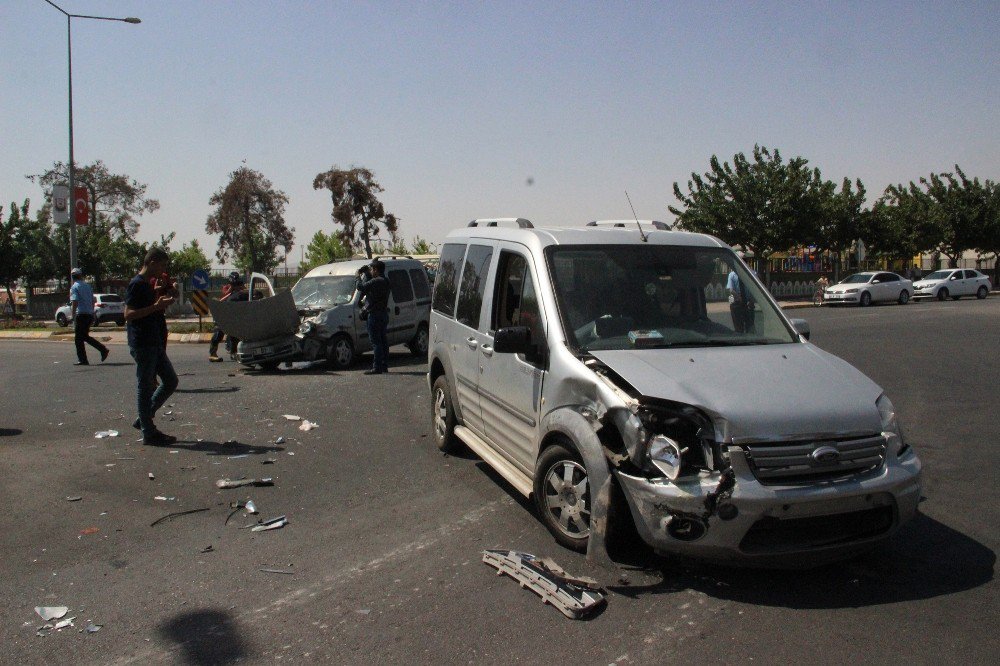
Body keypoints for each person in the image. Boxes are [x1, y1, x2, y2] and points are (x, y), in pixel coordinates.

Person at [125, 247, 179, 445]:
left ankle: (144, 418)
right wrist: (156, 307)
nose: (163, 269)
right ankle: (148, 431)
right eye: (162, 265)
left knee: (170, 381)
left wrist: (162, 298)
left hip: (153, 340)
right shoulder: (137, 284)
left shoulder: (147, 285)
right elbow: (129, 314)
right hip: (142, 342)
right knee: (145, 385)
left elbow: (147, 306)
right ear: (152, 263)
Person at [356, 259, 391, 374]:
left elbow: (360, 287)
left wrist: (358, 276)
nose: (371, 271)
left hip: (374, 315)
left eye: (372, 269)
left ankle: (377, 367)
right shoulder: (386, 281)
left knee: (376, 342)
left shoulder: (376, 281)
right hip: (383, 313)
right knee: (383, 340)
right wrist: (366, 273)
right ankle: (384, 365)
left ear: (376, 270)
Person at [69, 267, 109, 366]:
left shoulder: (74, 287)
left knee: (79, 339)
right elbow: (93, 301)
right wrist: (93, 313)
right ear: (81, 275)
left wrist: (72, 315)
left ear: (73, 277)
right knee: (84, 336)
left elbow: (75, 302)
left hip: (81, 314)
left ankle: (84, 359)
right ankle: (102, 349)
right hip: (89, 314)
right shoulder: (87, 286)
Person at [208, 272, 247, 362]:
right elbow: (225, 295)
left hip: (233, 314)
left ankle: (234, 352)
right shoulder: (226, 287)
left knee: (234, 333)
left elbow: (245, 292)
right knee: (219, 333)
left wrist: (240, 288)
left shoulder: (241, 286)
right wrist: (232, 288)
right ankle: (212, 354)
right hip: (222, 313)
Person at [727, 266, 754, 333]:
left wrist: (750, 300)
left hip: (747, 304)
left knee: (749, 327)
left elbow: (755, 289)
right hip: (738, 304)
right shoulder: (732, 275)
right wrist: (740, 298)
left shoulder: (752, 274)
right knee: (741, 327)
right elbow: (731, 290)